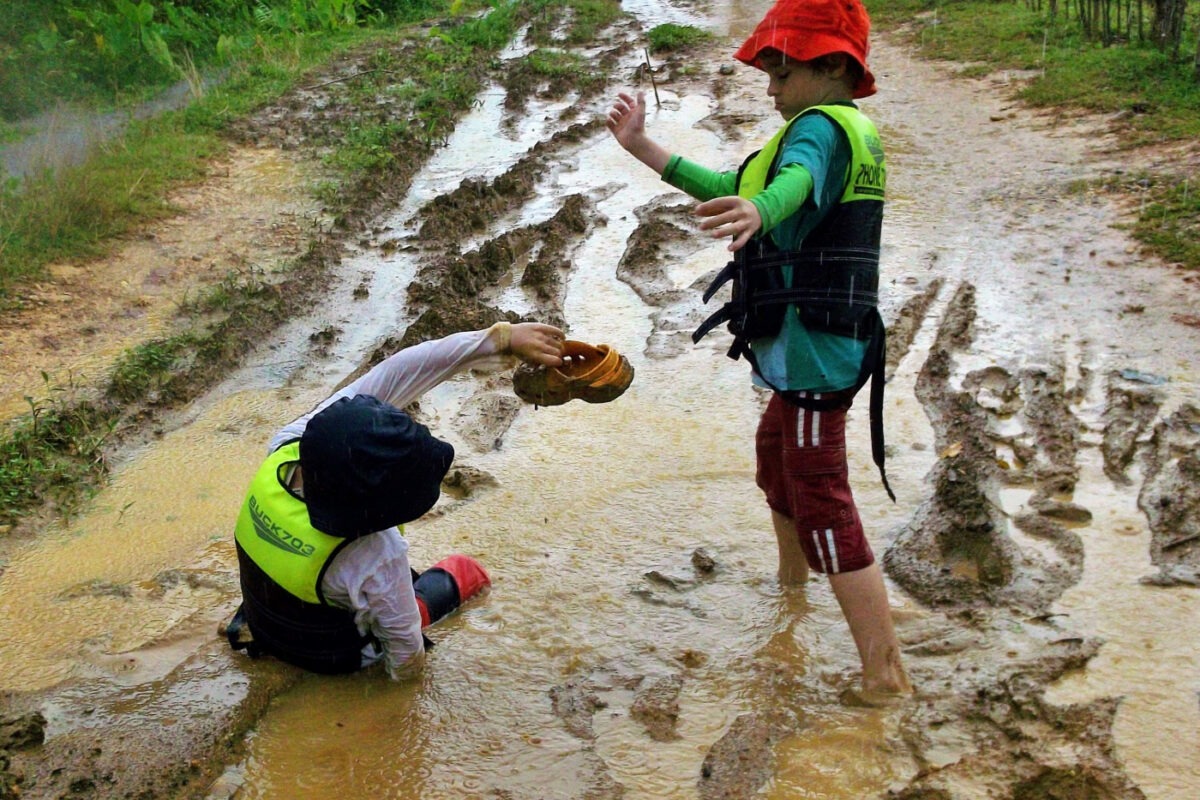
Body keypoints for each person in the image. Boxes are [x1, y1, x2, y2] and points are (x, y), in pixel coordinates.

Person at [606, 0, 910, 696]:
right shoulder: (833, 131)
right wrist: (642, 147)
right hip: (809, 346)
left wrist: (763, 211)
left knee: (822, 494)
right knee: (776, 458)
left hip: (816, 352)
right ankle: (791, 585)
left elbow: (790, 185)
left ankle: (883, 672)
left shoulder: (820, 131)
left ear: (832, 65)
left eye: (782, 70)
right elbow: (727, 187)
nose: (770, 86)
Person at [225, 321, 565, 678]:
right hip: (333, 659)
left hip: (266, 622)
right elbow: (405, 655)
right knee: (464, 571)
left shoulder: (288, 446)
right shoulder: (375, 554)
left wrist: (501, 340)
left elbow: (399, 371)